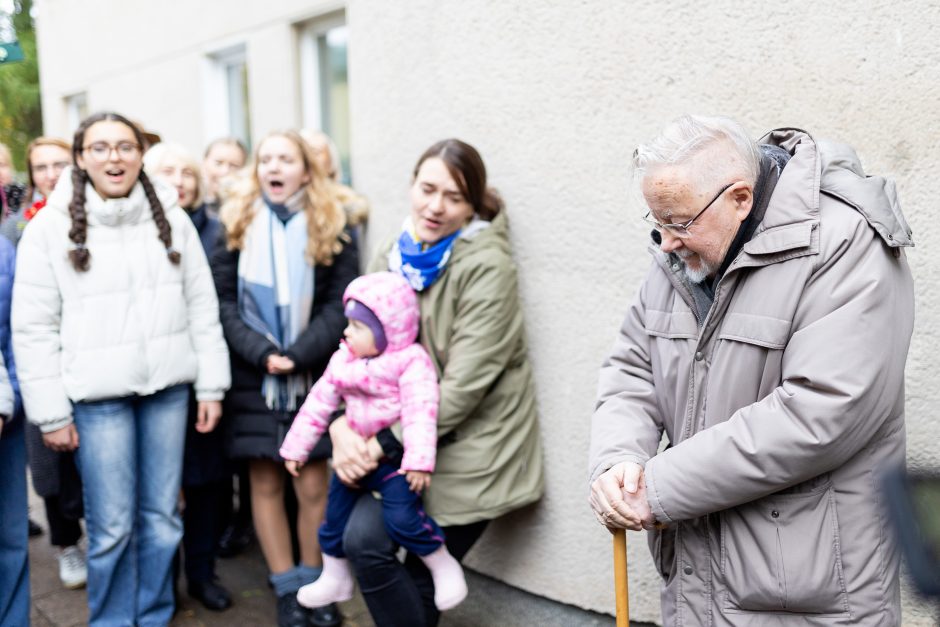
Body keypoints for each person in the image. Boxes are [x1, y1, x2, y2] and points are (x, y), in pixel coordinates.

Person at [588, 115, 915, 626]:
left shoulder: (843, 243)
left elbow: (820, 413)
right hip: (698, 576)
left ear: (739, 198)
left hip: (808, 592)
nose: (666, 243)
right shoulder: (682, 250)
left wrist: (659, 487)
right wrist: (618, 462)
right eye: (657, 223)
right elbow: (633, 369)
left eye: (677, 223)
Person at [12, 111, 231, 626]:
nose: (115, 157)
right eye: (101, 147)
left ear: (140, 153)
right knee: (110, 526)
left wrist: (212, 385)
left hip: (168, 393)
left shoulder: (171, 217)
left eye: (126, 146)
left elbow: (202, 305)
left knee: (161, 520)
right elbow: (34, 327)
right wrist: (50, 414)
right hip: (96, 401)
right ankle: (111, 620)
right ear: (82, 157)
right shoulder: (49, 227)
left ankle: (153, 614)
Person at [330, 138, 544, 626]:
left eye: (454, 196)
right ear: (412, 185)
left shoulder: (487, 265)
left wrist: (379, 441)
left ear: (472, 205)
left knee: (412, 573)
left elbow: (465, 386)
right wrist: (343, 425)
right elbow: (356, 349)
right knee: (364, 544)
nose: (435, 206)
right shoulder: (391, 250)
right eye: (427, 189)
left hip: (473, 445)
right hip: (405, 444)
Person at [212, 129, 357, 627]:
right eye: (266, 158)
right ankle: (285, 589)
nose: (274, 166)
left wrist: (297, 354)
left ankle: (316, 586)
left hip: (313, 374)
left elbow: (341, 304)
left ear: (306, 170)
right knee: (265, 479)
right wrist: (263, 353)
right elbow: (223, 302)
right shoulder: (233, 223)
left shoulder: (334, 224)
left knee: (313, 484)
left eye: (286, 158)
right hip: (254, 376)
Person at [280, 271, 467, 612]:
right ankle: (336, 577)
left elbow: (421, 411)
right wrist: (296, 447)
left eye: (358, 327)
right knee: (333, 520)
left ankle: (442, 564)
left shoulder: (410, 362)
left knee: (404, 520)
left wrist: (418, 461)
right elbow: (318, 403)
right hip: (355, 458)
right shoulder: (343, 360)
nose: (347, 332)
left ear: (387, 331)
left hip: (394, 463)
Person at [144, 141, 233, 611]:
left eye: (186, 172)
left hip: (202, 374)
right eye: (167, 171)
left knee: (205, 484)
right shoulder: (139, 231)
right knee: (159, 491)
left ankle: (203, 574)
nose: (178, 180)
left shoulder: (217, 231)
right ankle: (164, 583)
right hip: (156, 381)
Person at [2, 136, 90, 591]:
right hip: (32, 359)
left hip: (82, 354)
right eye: (41, 167)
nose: (52, 174)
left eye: (60, 164)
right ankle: (65, 543)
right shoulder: (15, 227)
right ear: (30, 173)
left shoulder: (90, 215)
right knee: (49, 462)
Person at [0, 233, 29, 627]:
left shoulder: (8, 251)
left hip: (9, 414)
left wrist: (10, 403)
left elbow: (21, 332)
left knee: (10, 538)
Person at [202, 137, 247, 217]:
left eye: (234, 165)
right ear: (204, 163)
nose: (225, 171)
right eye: (218, 163)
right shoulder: (192, 204)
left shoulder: (248, 209)